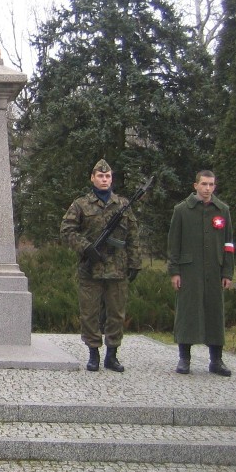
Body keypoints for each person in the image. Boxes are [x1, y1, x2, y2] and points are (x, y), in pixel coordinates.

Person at [60, 159, 141, 373]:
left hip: (117, 268)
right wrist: (86, 248)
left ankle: (112, 355)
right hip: (91, 269)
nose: (104, 180)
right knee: (90, 313)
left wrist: (135, 263)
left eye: (107, 177)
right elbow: (67, 230)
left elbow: (133, 235)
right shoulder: (81, 204)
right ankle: (93, 352)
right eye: (100, 176)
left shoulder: (123, 205)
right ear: (93, 178)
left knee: (116, 313)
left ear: (111, 179)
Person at [167, 170, 235, 377]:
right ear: (195, 185)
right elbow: (173, 244)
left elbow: (229, 244)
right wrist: (175, 271)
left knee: (215, 313)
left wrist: (227, 272)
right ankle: (184, 358)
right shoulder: (182, 210)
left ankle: (216, 360)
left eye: (211, 184)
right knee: (188, 312)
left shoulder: (222, 210)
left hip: (215, 270)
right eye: (204, 184)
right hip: (189, 270)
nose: (207, 189)